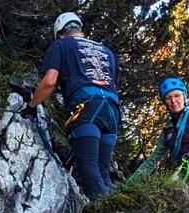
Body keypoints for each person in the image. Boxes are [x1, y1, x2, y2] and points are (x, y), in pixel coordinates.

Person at [25, 12, 121, 199]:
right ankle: (118, 211)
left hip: (85, 108)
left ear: (60, 33)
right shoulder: (107, 52)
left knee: (89, 168)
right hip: (112, 111)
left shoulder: (61, 45)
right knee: (103, 173)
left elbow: (49, 82)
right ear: (80, 28)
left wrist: (31, 106)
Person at [129, 77, 189, 183]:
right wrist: (130, 182)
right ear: (165, 102)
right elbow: (154, 159)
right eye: (168, 98)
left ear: (184, 96)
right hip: (187, 174)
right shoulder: (167, 131)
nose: (173, 101)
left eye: (177, 96)